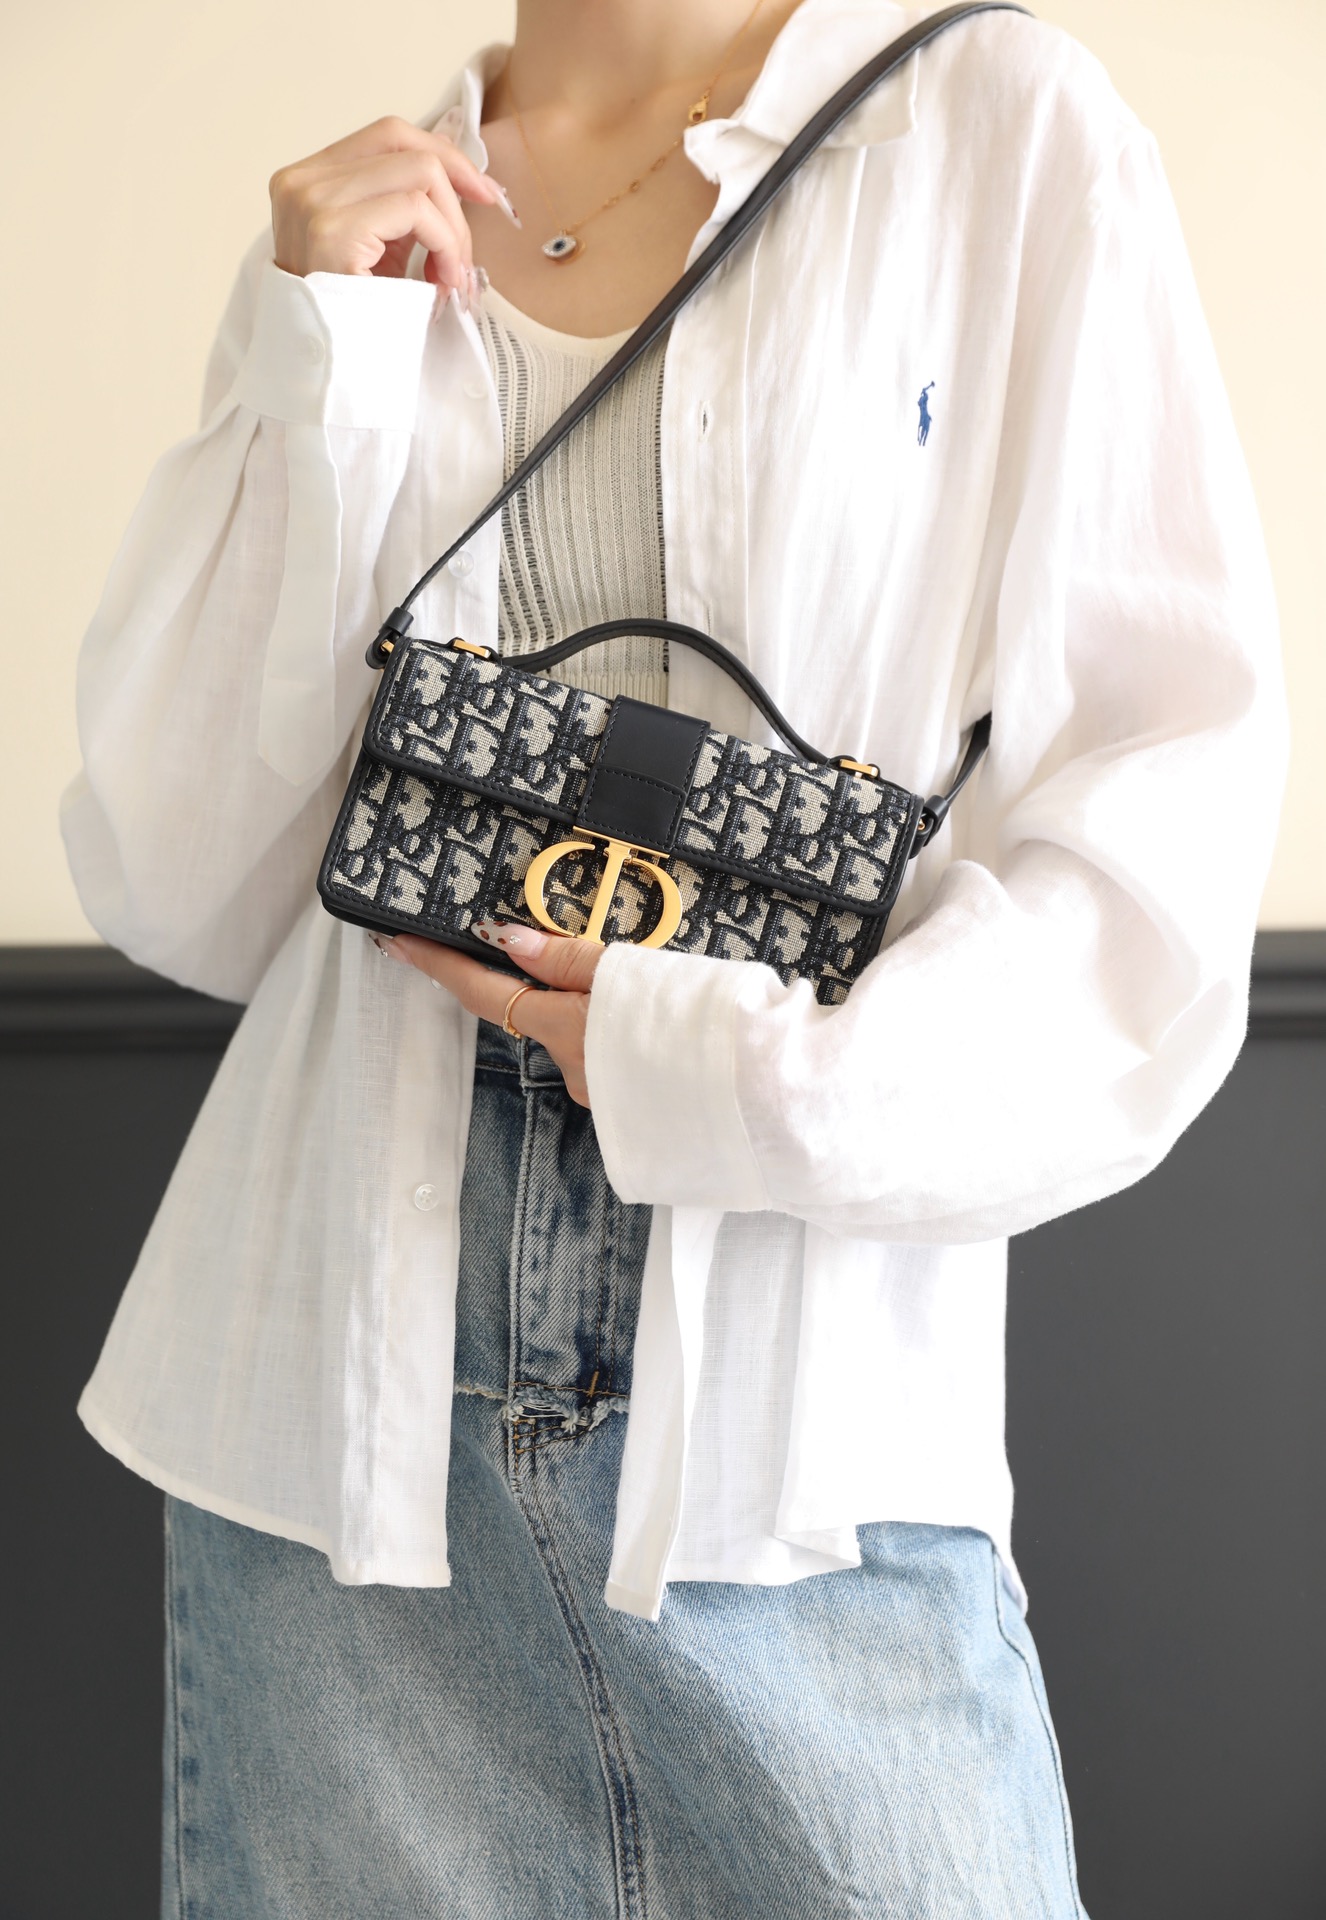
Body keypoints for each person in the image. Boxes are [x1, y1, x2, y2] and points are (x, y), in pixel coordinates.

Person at [61, 0, 1288, 1913]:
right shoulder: (361, 222)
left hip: (794, 1452)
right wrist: (327, 359)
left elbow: (1155, 842)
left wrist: (728, 1071)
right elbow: (183, 875)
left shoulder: (990, 127)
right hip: (340, 1454)